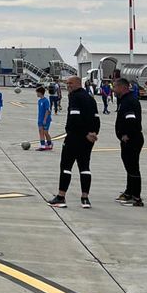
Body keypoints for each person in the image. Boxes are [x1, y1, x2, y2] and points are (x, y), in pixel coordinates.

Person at [47, 76, 99, 209]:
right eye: (67, 83)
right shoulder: (90, 98)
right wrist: (93, 133)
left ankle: (61, 196)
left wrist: (85, 134)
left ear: (77, 84)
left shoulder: (75, 97)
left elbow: (75, 119)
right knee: (85, 167)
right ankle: (85, 198)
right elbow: (96, 118)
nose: (68, 86)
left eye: (70, 83)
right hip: (88, 141)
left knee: (66, 166)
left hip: (75, 138)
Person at [113, 77, 144, 207]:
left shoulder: (129, 101)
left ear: (122, 87)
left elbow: (131, 120)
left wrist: (127, 135)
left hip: (132, 139)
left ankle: (136, 197)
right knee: (129, 167)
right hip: (129, 139)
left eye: (115, 87)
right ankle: (129, 192)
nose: (113, 90)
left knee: (133, 168)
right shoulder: (124, 100)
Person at [35, 86, 53, 151]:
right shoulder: (39, 101)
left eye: (37, 93)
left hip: (46, 119)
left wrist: (45, 119)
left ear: (40, 93)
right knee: (40, 131)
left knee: (45, 132)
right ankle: (42, 145)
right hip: (40, 119)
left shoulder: (46, 100)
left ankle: (50, 144)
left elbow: (47, 110)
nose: (36, 94)